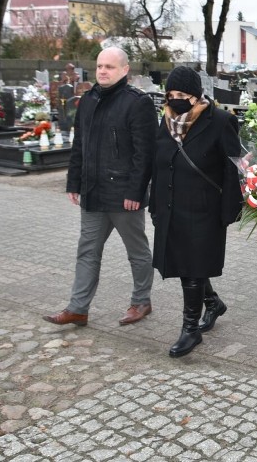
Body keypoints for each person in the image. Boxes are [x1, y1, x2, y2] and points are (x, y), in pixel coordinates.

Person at [43, 47, 157, 327]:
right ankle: (78, 308)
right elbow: (79, 145)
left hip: (124, 195)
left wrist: (136, 191)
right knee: (87, 251)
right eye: (99, 66)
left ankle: (141, 301)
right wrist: (74, 181)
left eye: (110, 66)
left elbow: (146, 153)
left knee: (137, 251)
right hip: (93, 193)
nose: (103, 71)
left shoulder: (137, 103)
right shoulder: (88, 101)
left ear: (124, 70)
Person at [149, 66, 243, 357]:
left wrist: (231, 209)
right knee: (183, 263)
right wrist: (153, 202)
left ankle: (190, 330)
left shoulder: (220, 121)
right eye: (171, 94)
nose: (175, 100)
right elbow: (158, 162)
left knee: (191, 267)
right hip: (170, 204)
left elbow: (233, 168)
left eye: (182, 95)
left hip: (204, 208)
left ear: (196, 95)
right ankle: (213, 302)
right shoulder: (165, 121)